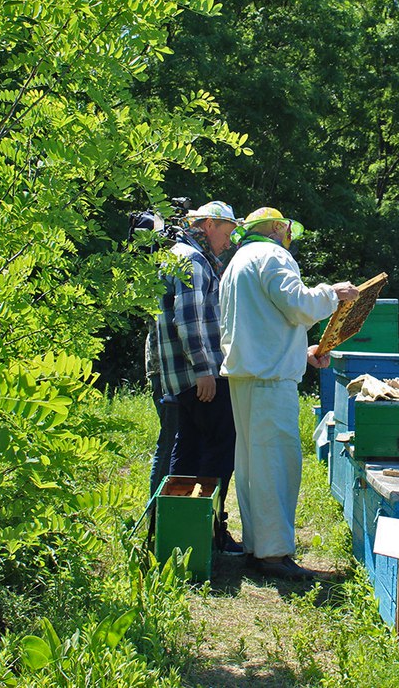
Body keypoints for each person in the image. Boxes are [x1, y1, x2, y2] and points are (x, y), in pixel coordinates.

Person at [219, 207, 358, 580]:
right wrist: (334, 293)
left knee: (251, 465)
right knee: (276, 465)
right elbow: (298, 305)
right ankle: (274, 554)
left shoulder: (237, 262)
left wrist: (303, 352)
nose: (288, 237)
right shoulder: (273, 255)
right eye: (287, 230)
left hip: (246, 376)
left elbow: (262, 325)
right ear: (279, 228)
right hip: (268, 380)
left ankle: (256, 546)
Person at [157, 201, 243, 553]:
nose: (230, 240)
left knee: (188, 451)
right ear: (208, 225)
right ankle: (210, 531)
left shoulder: (177, 255)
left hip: (181, 377)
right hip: (199, 375)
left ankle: (174, 531)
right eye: (227, 231)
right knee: (221, 447)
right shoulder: (191, 259)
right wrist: (204, 370)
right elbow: (189, 318)